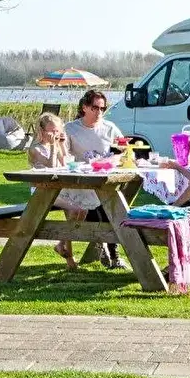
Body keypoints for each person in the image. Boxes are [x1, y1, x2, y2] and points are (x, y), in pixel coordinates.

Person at [63, 89, 125, 268]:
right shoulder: (71, 129)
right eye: (95, 108)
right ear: (84, 107)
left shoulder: (109, 128)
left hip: (105, 179)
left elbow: (123, 148)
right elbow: (64, 156)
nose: (99, 112)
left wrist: (117, 155)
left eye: (102, 109)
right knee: (98, 205)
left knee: (115, 205)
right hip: (80, 182)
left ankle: (110, 251)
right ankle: (107, 249)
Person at [27, 112, 80, 269]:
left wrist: (61, 145)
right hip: (42, 191)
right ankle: (69, 256)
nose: (54, 135)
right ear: (42, 131)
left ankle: (62, 245)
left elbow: (65, 165)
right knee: (75, 209)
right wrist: (52, 146)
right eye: (51, 131)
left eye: (57, 131)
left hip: (58, 189)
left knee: (82, 209)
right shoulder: (35, 149)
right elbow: (51, 168)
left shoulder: (56, 145)